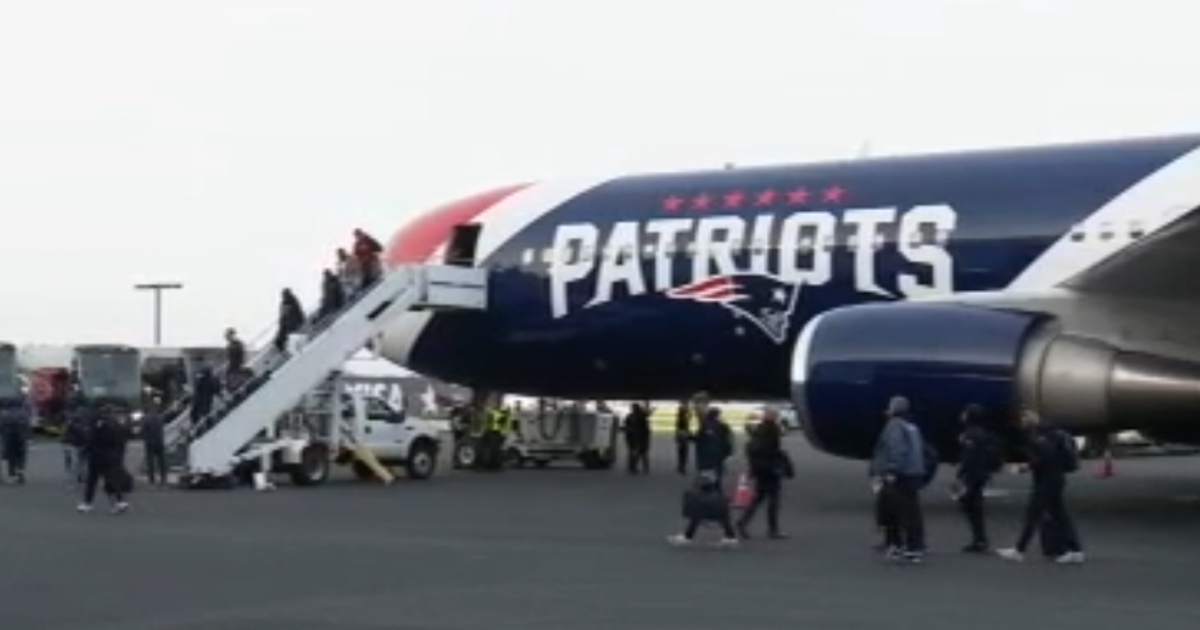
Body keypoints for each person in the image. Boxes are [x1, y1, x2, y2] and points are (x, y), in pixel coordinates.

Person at [996, 409, 1085, 564]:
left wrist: (1025, 467)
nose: (1021, 423)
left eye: (1023, 419)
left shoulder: (1039, 436)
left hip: (1047, 481)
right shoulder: (1050, 432)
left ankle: (1019, 550)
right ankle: (1076, 550)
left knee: (1033, 515)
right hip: (1055, 479)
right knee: (1060, 516)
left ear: (1029, 420)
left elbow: (1045, 457)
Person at [869, 395, 928, 563]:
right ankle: (915, 545)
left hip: (902, 474)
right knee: (912, 512)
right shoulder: (912, 426)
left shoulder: (895, 426)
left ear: (894, 409)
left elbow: (896, 449)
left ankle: (909, 548)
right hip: (914, 473)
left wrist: (891, 471)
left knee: (900, 512)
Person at [737, 407, 793, 539]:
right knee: (773, 500)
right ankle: (772, 530)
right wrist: (782, 464)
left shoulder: (759, 430)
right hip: (770, 469)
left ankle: (743, 522)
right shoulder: (772, 430)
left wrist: (753, 468)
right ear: (772, 417)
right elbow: (773, 450)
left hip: (760, 469)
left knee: (758, 498)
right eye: (775, 415)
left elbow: (752, 450)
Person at [956, 404, 1003, 553]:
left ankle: (980, 539)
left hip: (973, 475)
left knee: (970, 506)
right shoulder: (983, 433)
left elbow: (970, 457)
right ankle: (979, 539)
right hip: (981, 474)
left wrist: (961, 473)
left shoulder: (971, 434)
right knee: (973, 505)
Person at [78, 406, 131, 513]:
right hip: (112, 455)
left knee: (92, 480)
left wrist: (85, 451)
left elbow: (92, 439)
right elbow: (123, 439)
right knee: (112, 479)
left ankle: (87, 503)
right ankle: (119, 501)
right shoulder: (116, 424)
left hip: (97, 456)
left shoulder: (98, 423)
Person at [668, 470, 739, 548]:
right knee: (722, 516)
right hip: (719, 510)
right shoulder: (718, 495)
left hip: (708, 510)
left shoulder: (695, 495)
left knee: (697, 514)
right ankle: (730, 536)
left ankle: (688, 536)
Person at [693, 407, 734, 483]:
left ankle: (708, 484)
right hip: (718, 453)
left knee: (707, 472)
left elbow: (697, 438)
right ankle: (717, 485)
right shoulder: (723, 426)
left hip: (706, 455)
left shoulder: (705, 425)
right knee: (718, 471)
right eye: (720, 415)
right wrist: (729, 452)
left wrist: (687, 437)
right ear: (717, 416)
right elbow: (728, 439)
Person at [140, 398, 169, 487]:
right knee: (162, 461)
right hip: (159, 441)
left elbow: (143, 430)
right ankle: (163, 479)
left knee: (150, 461)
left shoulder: (146, 418)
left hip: (150, 442)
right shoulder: (161, 417)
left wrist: (144, 437)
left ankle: (151, 480)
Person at [0, 401, 31, 483]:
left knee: (11, 457)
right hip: (21, 438)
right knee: (21, 456)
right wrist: (28, 437)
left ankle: (12, 475)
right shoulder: (24, 414)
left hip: (9, 438)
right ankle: (21, 473)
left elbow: (1, 426)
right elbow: (27, 426)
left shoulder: (4, 414)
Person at [273, 288, 306, 353]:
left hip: (293, 326)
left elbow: (294, 315)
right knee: (280, 339)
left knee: (284, 337)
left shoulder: (291, 302)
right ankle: (283, 348)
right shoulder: (285, 304)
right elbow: (283, 318)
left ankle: (285, 349)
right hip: (289, 326)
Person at [623, 403, 652, 474]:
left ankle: (633, 467)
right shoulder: (640, 416)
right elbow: (646, 417)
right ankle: (644, 468)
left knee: (635, 453)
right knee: (643, 454)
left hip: (634, 437)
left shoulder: (631, 416)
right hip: (641, 437)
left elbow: (626, 424)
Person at [224, 328, 248, 392]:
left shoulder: (237, 343)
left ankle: (237, 388)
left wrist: (242, 362)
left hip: (237, 363)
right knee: (229, 375)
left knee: (233, 375)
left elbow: (241, 352)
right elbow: (229, 356)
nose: (227, 337)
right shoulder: (230, 344)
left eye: (228, 335)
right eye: (227, 336)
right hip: (233, 363)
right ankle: (232, 388)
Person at [673, 401, 692, 475]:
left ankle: (680, 467)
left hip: (680, 435)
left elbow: (689, 416)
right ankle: (682, 468)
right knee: (684, 453)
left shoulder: (679, 418)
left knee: (681, 452)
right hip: (683, 436)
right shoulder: (683, 419)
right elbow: (689, 416)